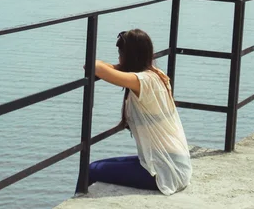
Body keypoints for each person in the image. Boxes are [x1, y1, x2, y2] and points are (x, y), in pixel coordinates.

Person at [81, 29, 192, 195]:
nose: (118, 57)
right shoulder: (158, 75)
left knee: (90, 170)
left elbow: (92, 65)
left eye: (120, 53)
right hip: (175, 162)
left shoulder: (142, 81)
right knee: (96, 166)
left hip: (166, 171)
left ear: (129, 56)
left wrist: (119, 67)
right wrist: (122, 66)